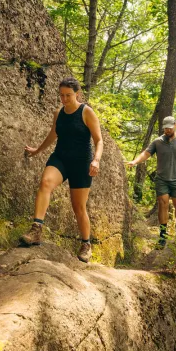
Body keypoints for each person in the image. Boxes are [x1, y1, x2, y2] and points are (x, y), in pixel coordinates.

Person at [20, 77, 104, 263]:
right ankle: (36, 229)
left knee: (78, 207)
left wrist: (96, 160)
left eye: (68, 95)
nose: (64, 99)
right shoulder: (59, 113)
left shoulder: (86, 112)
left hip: (81, 163)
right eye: (62, 95)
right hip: (61, 158)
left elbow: (99, 140)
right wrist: (38, 150)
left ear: (77, 94)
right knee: (45, 182)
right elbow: (54, 134)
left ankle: (86, 244)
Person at [126, 115, 176, 248]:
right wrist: (135, 161)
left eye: (170, 128)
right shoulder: (157, 142)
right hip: (162, 179)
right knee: (162, 203)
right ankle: (163, 236)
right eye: (165, 128)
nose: (167, 130)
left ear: (175, 125)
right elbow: (146, 154)